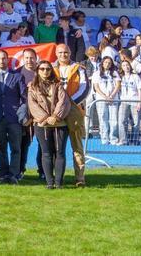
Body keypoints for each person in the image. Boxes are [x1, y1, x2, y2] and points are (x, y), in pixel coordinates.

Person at [27, 60, 71, 189]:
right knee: (46, 153)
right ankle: (49, 182)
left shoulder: (58, 85)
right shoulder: (32, 87)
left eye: (48, 69)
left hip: (60, 124)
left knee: (60, 153)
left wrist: (55, 117)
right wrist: (46, 118)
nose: (45, 71)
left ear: (51, 70)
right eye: (42, 69)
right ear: (37, 71)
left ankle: (58, 183)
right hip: (42, 125)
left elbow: (64, 102)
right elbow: (32, 105)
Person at [0, 49, 27, 183]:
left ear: (7, 59)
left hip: (14, 118)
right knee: (1, 147)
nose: (1, 61)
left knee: (16, 148)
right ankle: (4, 174)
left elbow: (24, 98)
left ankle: (14, 174)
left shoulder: (18, 76)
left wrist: (22, 115)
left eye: (3, 58)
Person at [54, 43, 88, 187]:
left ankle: (80, 178)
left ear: (70, 53)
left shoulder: (79, 68)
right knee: (56, 146)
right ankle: (55, 178)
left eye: (66, 52)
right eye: (60, 52)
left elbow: (85, 88)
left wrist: (69, 102)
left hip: (74, 110)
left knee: (77, 147)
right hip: (57, 110)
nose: (63, 55)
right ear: (56, 53)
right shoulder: (49, 68)